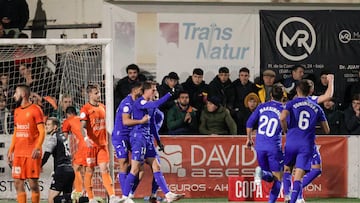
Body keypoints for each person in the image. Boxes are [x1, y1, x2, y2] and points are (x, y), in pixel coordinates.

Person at [121, 81, 184, 203]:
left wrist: (158, 141)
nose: (155, 92)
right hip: (138, 138)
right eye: (153, 90)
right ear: (146, 91)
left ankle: (168, 194)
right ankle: (125, 197)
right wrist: (170, 94)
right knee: (135, 169)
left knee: (157, 166)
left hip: (148, 139)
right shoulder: (141, 102)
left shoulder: (151, 106)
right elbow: (157, 102)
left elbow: (153, 125)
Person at [280, 80, 330, 203]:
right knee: (299, 176)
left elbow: (282, 118)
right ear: (311, 91)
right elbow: (327, 130)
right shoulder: (317, 108)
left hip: (291, 141)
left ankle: (286, 196)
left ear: (297, 90)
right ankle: (293, 200)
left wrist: (285, 129)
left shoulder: (291, 103)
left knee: (287, 169)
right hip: (306, 144)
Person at [79, 83, 122, 203]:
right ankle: (91, 198)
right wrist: (86, 138)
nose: (99, 95)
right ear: (90, 94)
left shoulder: (103, 107)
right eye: (96, 93)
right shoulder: (85, 109)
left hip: (103, 145)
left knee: (105, 169)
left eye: (99, 92)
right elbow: (82, 126)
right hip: (91, 146)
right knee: (90, 170)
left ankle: (112, 196)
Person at [246, 83, 285, 203]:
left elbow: (249, 123)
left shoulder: (261, 106)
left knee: (268, 176)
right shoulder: (284, 109)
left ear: (271, 95)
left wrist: (249, 138)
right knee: (278, 178)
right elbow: (287, 127)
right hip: (274, 146)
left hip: (260, 146)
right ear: (283, 96)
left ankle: (261, 172)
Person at [7, 84, 45, 203]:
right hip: (18, 153)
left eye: (16, 93)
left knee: (33, 184)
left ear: (23, 94)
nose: (14, 96)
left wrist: (38, 148)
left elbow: (42, 131)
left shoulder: (36, 109)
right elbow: (16, 131)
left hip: (31, 152)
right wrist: (11, 150)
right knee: (18, 183)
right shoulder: (17, 111)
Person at [112, 81, 149, 197]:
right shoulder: (127, 103)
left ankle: (130, 193)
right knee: (124, 163)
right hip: (121, 136)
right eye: (141, 89)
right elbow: (125, 121)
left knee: (140, 167)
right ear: (135, 90)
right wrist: (141, 121)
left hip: (132, 136)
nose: (143, 92)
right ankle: (125, 196)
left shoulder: (138, 103)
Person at [41, 117, 75, 203]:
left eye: (49, 125)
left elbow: (47, 155)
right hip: (70, 170)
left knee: (51, 199)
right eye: (46, 124)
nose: (46, 126)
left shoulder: (53, 137)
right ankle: (71, 197)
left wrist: (38, 166)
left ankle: (81, 198)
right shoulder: (62, 137)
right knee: (67, 199)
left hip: (62, 170)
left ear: (55, 127)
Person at [62, 106, 87, 202]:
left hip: (83, 145)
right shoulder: (81, 119)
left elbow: (64, 137)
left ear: (68, 114)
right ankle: (87, 192)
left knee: (75, 168)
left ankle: (78, 191)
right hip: (91, 143)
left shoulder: (67, 121)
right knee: (85, 170)